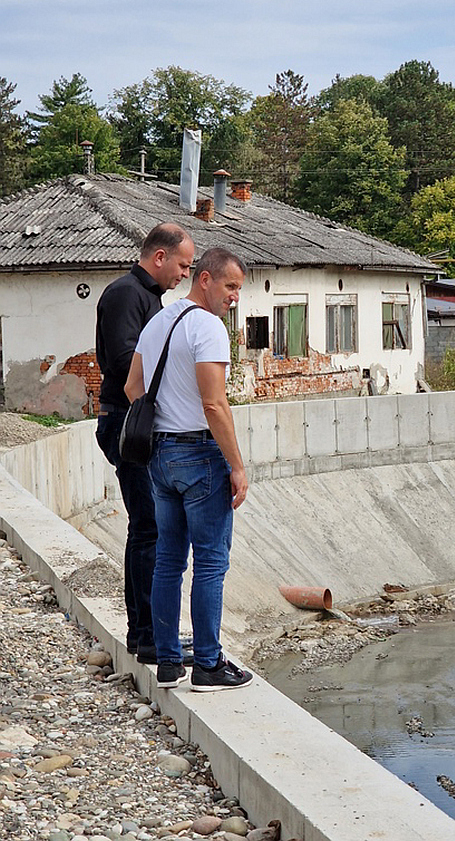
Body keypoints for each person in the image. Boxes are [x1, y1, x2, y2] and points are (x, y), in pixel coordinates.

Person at [125, 246, 253, 692]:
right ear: (205, 279)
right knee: (212, 563)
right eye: (230, 286)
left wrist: (165, 417)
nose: (234, 296)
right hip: (200, 454)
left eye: (239, 289)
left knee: (168, 561)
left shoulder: (159, 320)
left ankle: (166, 662)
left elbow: (133, 387)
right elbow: (214, 403)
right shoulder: (209, 328)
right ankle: (208, 666)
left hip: (158, 455)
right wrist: (236, 466)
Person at [95, 223, 195, 664]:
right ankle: (148, 637)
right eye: (182, 265)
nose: (184, 275)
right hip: (126, 423)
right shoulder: (125, 294)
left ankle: (151, 634)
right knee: (149, 530)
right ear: (159, 257)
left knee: (150, 530)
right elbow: (122, 361)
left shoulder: (149, 297)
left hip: (137, 422)